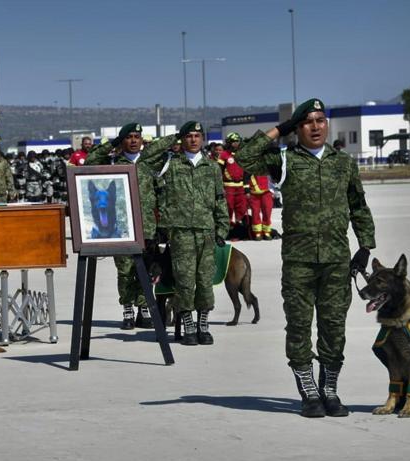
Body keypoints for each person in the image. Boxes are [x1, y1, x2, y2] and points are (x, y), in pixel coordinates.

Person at [234, 98, 376, 418]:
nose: (316, 127)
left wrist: (365, 246)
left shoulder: (343, 163)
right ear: (298, 128)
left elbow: (358, 205)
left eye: (321, 120)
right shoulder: (284, 160)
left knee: (333, 327)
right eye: (308, 122)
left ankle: (329, 389)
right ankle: (308, 391)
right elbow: (243, 157)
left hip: (336, 260)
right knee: (298, 327)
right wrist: (278, 130)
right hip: (298, 261)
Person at [85, 123, 175, 329]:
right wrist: (112, 143)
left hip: (146, 228)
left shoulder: (150, 164)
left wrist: (162, 226)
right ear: (122, 140)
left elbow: (161, 196)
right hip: (122, 228)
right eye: (128, 137)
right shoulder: (114, 163)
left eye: (137, 136)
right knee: (125, 271)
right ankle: (127, 309)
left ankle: (144, 310)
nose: (133, 140)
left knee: (145, 269)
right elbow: (90, 160)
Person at [153, 121, 229, 345]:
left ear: (203, 139)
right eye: (188, 136)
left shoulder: (212, 167)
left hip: (206, 231)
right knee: (184, 281)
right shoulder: (170, 165)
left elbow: (220, 199)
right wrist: (172, 137)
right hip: (181, 232)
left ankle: (203, 323)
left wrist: (222, 227)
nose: (193, 139)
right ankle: (187, 324)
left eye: (197, 135)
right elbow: (148, 159)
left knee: (205, 280)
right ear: (182, 139)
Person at [219, 133, 249, 231]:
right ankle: (227, 229)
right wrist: (220, 187)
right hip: (228, 186)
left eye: (237, 141)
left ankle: (239, 229)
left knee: (241, 208)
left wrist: (246, 186)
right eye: (233, 142)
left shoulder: (242, 155)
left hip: (240, 186)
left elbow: (246, 172)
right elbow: (219, 171)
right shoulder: (224, 155)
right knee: (229, 208)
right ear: (229, 143)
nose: (236, 144)